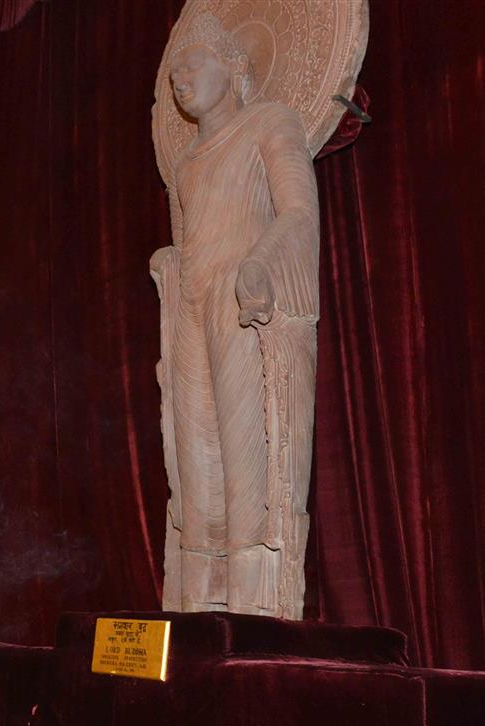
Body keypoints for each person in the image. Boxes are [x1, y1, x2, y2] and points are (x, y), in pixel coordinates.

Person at [150, 14, 320, 619]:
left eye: (193, 64)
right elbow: (187, 241)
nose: (181, 79)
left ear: (235, 66)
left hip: (244, 296)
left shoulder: (270, 124)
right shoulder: (186, 165)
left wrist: (262, 263)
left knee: (248, 445)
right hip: (194, 303)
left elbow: (298, 211)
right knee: (194, 454)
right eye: (174, 72)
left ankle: (254, 601)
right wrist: (171, 262)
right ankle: (198, 598)